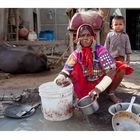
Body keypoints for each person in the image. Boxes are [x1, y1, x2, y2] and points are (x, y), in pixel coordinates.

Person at [54, 23, 134, 104]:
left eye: (88, 35)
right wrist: (59, 78)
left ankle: (111, 93)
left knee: (121, 67)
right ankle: (81, 95)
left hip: (102, 80)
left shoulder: (101, 50)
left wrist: (98, 88)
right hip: (85, 83)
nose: (85, 38)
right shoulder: (76, 54)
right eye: (83, 35)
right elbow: (66, 70)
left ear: (93, 37)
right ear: (78, 38)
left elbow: (111, 71)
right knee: (75, 69)